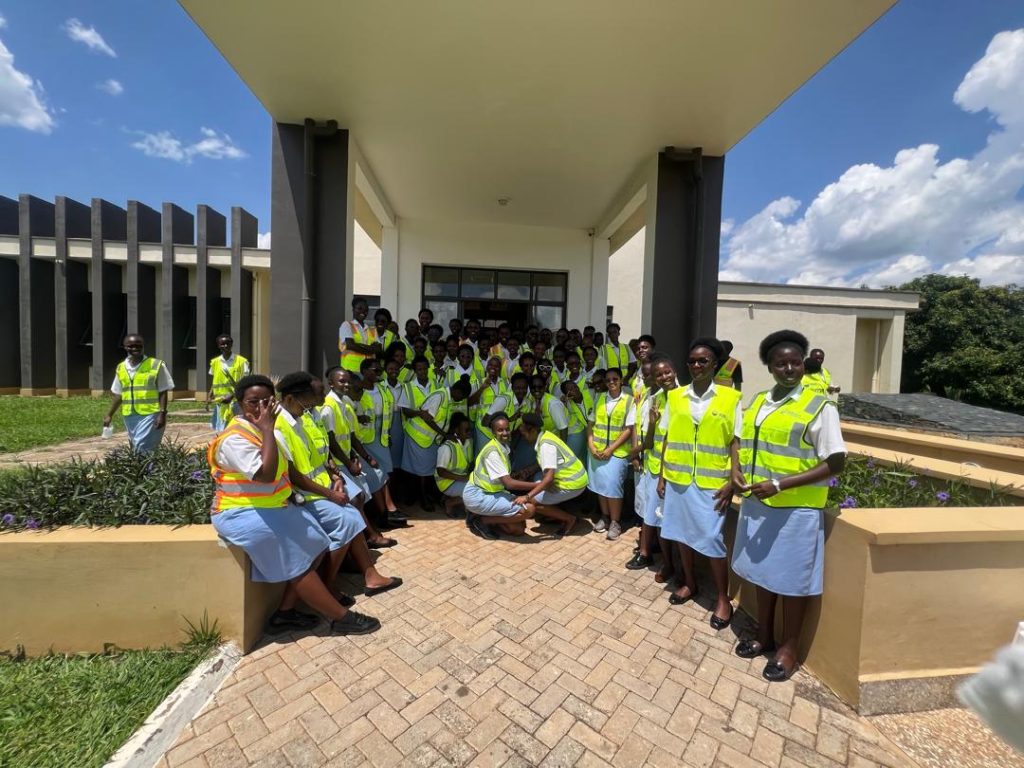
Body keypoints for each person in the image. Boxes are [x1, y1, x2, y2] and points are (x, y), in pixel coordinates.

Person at [207, 374, 380, 635]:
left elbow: (286, 470)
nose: (262, 408)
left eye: (267, 401)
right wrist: (268, 429)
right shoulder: (236, 438)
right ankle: (341, 618)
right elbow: (265, 475)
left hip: (272, 506)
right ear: (240, 404)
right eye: (253, 402)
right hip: (241, 513)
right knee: (296, 559)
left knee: (317, 542)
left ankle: (285, 613)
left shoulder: (266, 431)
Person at [732, 330, 846, 682]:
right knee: (763, 573)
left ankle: (789, 649)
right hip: (759, 504)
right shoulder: (758, 401)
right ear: (769, 366)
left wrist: (781, 484)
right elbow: (741, 441)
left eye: (795, 362)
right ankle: (764, 634)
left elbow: (836, 461)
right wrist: (736, 470)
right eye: (781, 363)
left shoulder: (819, 406)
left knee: (793, 581)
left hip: (796, 509)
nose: (789, 369)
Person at [274, 372, 402, 601]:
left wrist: (335, 476)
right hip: (304, 495)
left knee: (352, 514)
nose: (307, 408)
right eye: (305, 403)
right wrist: (331, 493)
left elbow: (318, 454)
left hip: (321, 487)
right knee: (348, 520)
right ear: (291, 399)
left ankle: (369, 575)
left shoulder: (299, 419)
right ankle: (327, 586)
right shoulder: (281, 426)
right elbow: (294, 475)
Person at [656, 340, 742, 631]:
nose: (696, 365)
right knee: (682, 535)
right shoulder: (675, 396)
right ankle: (690, 583)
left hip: (712, 482)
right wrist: (662, 476)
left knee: (711, 539)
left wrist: (733, 480)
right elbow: (667, 437)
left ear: (714, 364)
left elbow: (735, 440)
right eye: (692, 361)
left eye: (702, 361)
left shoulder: (730, 398)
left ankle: (723, 599)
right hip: (679, 479)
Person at [320, 368, 397, 547]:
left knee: (362, 494)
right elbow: (331, 441)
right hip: (337, 464)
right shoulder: (328, 407)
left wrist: (355, 456)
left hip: (346, 459)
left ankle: (368, 531)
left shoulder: (343, 403)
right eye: (342, 381)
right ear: (331, 383)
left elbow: (348, 436)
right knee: (357, 497)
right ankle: (369, 535)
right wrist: (349, 463)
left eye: (348, 381)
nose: (346, 385)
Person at [463, 412, 539, 539]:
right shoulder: (493, 452)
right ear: (493, 433)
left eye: (507, 429)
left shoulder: (502, 447)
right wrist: (538, 485)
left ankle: (480, 515)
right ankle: (482, 521)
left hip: (491, 493)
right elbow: (508, 483)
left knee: (518, 529)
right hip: (478, 496)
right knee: (529, 509)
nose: (505, 433)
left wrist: (517, 475)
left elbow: (501, 477)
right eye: (500, 430)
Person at [104, 334, 174, 453]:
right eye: (131, 346)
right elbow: (119, 394)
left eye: (138, 345)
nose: (135, 348)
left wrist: (162, 413)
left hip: (151, 413)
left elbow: (163, 390)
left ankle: (146, 464)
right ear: (125, 347)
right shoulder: (121, 367)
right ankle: (149, 465)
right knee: (137, 447)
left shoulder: (156, 365)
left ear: (143, 346)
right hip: (130, 415)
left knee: (142, 447)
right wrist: (109, 414)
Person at [587, 367, 635, 541]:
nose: (611, 382)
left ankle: (615, 522)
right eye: (608, 380)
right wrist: (592, 446)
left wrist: (610, 449)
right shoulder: (599, 398)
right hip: (597, 451)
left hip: (617, 452)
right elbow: (590, 425)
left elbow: (628, 429)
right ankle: (605, 517)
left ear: (621, 380)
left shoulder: (629, 401)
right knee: (601, 486)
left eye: (615, 379)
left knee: (613, 487)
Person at [517, 413, 585, 535]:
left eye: (524, 434)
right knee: (538, 481)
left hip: (572, 483)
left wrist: (527, 496)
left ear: (533, 430)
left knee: (532, 502)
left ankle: (569, 519)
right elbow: (547, 464)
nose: (524, 438)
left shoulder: (546, 446)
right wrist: (528, 471)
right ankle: (554, 513)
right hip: (574, 478)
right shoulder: (546, 436)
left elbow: (548, 480)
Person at [207, 334, 250, 432]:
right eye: (222, 344)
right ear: (218, 346)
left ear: (231, 344)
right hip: (220, 402)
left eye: (227, 343)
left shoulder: (242, 361)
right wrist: (209, 396)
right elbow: (215, 381)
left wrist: (232, 395)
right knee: (221, 429)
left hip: (236, 402)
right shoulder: (215, 362)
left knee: (236, 428)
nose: (225, 346)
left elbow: (245, 383)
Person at [435, 412, 473, 517]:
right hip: (446, 483)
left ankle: (455, 499)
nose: (469, 432)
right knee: (476, 492)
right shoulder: (447, 447)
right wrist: (464, 478)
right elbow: (441, 472)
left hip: (459, 479)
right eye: (466, 430)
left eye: (470, 430)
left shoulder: (468, 443)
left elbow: (468, 463)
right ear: (456, 430)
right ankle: (450, 503)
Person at [339, 297, 381, 374]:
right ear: (353, 309)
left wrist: (358, 345)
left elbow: (378, 349)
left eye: (366, 310)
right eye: (359, 308)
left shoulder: (372, 330)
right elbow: (350, 345)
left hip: (368, 371)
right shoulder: (346, 325)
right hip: (351, 370)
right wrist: (370, 349)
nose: (363, 312)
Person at [561, 380, 590, 463]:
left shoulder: (589, 393)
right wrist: (564, 404)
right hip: (585, 431)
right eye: (570, 389)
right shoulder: (568, 404)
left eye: (575, 386)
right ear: (567, 394)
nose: (575, 389)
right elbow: (565, 420)